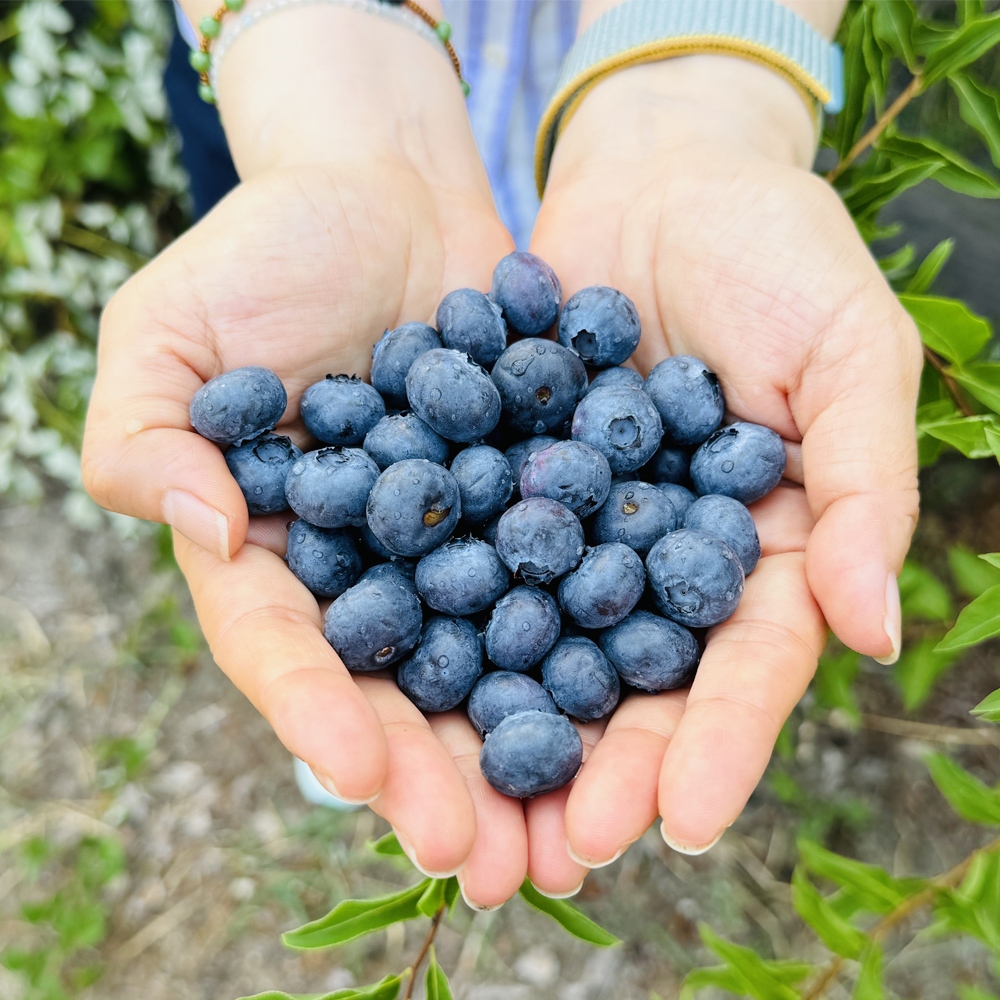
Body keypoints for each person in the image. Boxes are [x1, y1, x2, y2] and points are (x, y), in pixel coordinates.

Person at [81, 0, 921, 910]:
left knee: (408, 680)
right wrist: (333, 75)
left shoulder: (570, 462)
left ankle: (360, 740)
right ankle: (351, 748)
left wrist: (698, 99)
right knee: (353, 709)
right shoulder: (452, 462)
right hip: (313, 82)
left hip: (615, 77)